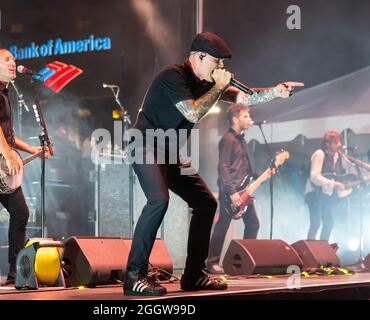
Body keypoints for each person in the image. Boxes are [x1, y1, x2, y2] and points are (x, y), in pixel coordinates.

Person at [124, 31, 303, 295]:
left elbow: (246, 97)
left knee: (206, 203)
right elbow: (193, 111)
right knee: (158, 200)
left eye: (222, 64)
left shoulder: (208, 83)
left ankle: (194, 275)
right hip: (143, 144)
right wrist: (219, 86)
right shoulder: (172, 76)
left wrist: (275, 92)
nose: (221, 68)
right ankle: (134, 275)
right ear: (199, 57)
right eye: (216, 62)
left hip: (169, 151)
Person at [0, 48, 49, 286]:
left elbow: (8, 137)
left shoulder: (4, 94)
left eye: (13, 59)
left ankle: (18, 274)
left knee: (20, 212)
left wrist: (33, 150)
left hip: (3, 169)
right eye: (7, 60)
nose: (13, 63)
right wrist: (7, 156)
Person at [206, 104, 262, 274]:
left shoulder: (242, 140)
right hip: (230, 192)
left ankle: (244, 260)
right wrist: (231, 192)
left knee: (253, 224)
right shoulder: (228, 139)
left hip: (244, 191)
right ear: (235, 119)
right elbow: (223, 167)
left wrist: (260, 175)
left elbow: (243, 167)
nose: (249, 120)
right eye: (246, 116)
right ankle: (212, 263)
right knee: (222, 225)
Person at [304, 131, 355, 241]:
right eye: (336, 142)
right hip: (313, 193)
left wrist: (365, 174)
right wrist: (333, 183)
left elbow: (352, 168)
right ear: (328, 144)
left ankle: (323, 251)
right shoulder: (319, 154)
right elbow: (314, 176)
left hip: (325, 194)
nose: (339, 145)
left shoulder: (338, 155)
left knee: (328, 224)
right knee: (316, 224)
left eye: (339, 142)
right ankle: (308, 253)